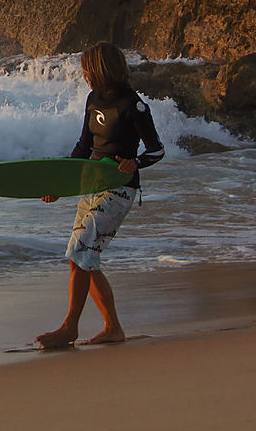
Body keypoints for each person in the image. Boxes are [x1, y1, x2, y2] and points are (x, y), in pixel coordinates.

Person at [36, 42, 165, 349]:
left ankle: (69, 328)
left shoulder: (134, 106)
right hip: (91, 185)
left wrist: (136, 162)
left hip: (119, 190)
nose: (84, 76)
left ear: (100, 70)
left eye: (87, 71)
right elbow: (83, 148)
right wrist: (61, 182)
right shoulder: (93, 99)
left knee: (81, 254)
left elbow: (157, 149)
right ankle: (113, 328)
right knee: (81, 258)